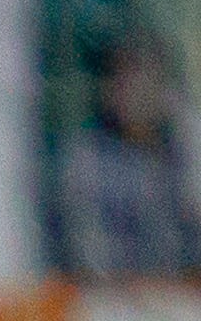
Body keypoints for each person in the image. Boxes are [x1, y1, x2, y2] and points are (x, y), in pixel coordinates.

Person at [54, 33, 200, 281]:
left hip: (182, 305)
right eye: (116, 77)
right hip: (114, 308)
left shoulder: (182, 151)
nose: (126, 89)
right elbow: (88, 258)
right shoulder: (85, 158)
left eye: (143, 77)